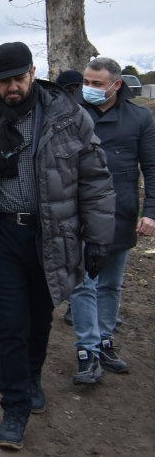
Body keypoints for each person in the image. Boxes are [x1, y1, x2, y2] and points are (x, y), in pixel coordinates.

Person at [0, 41, 114, 450]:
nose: (13, 87)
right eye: (4, 81)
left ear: (33, 72)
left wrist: (97, 239)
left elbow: (95, 179)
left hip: (50, 235)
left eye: (19, 78)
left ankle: (33, 376)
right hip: (0, 233)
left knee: (40, 317)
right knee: (11, 324)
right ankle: (14, 408)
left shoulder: (67, 115)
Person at [68, 57, 155, 380]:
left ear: (116, 85)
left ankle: (105, 340)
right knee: (83, 283)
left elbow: (151, 167)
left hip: (122, 210)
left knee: (111, 284)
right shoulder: (71, 113)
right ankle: (87, 349)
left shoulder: (140, 117)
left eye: (97, 84)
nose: (88, 89)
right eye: (86, 82)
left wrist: (151, 212)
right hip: (79, 211)